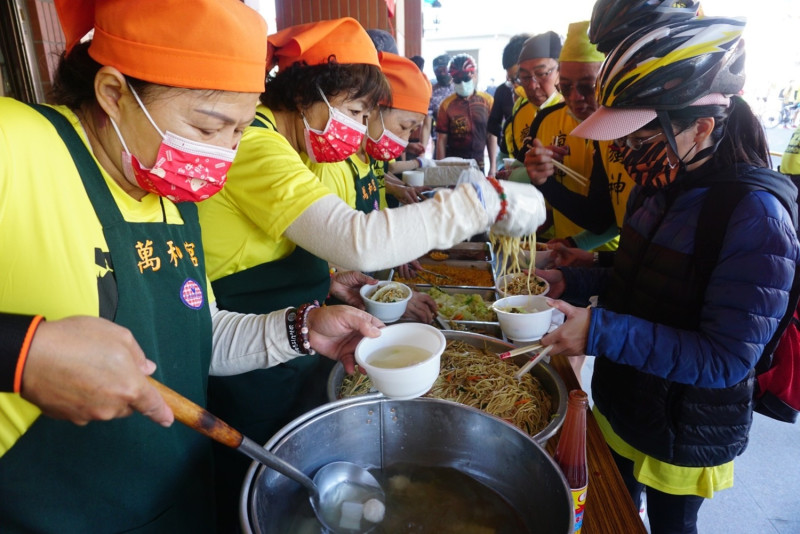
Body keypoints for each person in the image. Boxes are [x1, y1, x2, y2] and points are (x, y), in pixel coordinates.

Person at [0, 1, 387, 532]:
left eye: (240, 130)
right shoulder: (16, 144)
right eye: (209, 128)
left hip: (172, 500)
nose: (224, 154)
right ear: (114, 93)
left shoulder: (168, 190)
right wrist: (23, 354)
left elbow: (194, 337)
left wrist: (299, 329)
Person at [196, 18, 547, 530]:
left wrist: (331, 279)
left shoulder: (287, 146)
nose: (362, 129)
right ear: (312, 92)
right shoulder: (256, 143)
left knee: (295, 470)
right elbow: (355, 236)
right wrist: (478, 204)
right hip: (249, 355)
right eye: (358, 111)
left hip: (295, 332)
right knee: (260, 480)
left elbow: (275, 246)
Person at [538, 17, 800, 534]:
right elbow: (640, 278)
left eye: (639, 135)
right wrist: (579, 279)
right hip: (624, 403)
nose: (625, 150)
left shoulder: (755, 216)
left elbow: (726, 358)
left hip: (685, 431)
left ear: (701, 126)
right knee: (614, 513)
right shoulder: (658, 185)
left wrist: (599, 331)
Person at [523, 21, 622, 253]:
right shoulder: (546, 119)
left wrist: (545, 182)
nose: (575, 98)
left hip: (611, 258)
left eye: (588, 87)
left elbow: (604, 218)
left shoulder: (624, 132)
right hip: (562, 250)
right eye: (566, 87)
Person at [504, 31, 564, 184]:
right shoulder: (520, 108)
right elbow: (517, 162)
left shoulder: (574, 111)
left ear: (559, 71)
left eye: (542, 73)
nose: (532, 85)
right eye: (524, 77)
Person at [435, 53, 497, 175]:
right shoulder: (446, 105)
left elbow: (491, 136)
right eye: (457, 80)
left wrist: (493, 168)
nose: (462, 83)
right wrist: (440, 170)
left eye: (466, 78)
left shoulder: (488, 101)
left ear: (475, 75)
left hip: (479, 164)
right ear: (452, 79)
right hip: (453, 165)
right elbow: (441, 139)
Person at [488, 33, 531, 168]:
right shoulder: (503, 92)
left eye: (519, 79)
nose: (516, 87)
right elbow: (494, 132)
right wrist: (498, 167)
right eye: (512, 81)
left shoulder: (553, 106)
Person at [427, 54, 454, 153]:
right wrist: (422, 151)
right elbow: (427, 124)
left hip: (463, 143)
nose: (442, 74)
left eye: (444, 70)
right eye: (438, 71)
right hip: (440, 143)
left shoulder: (461, 88)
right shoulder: (431, 91)